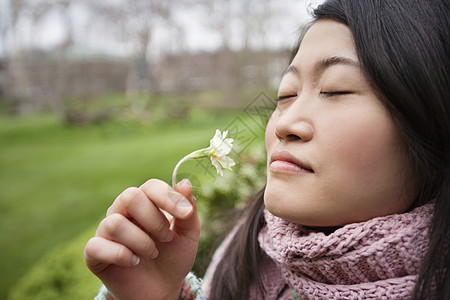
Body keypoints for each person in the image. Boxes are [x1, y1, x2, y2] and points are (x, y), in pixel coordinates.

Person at [84, 0, 449, 299]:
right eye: (285, 96)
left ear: (430, 119)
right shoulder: (245, 263)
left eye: (336, 89)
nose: (285, 124)